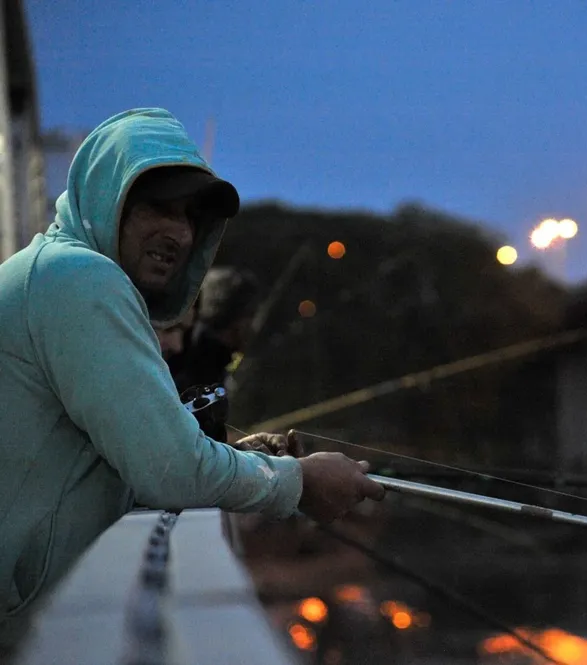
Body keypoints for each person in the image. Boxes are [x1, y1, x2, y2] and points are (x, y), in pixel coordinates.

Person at [0, 108, 385, 655]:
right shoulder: (79, 278)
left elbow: (129, 460)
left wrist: (236, 456)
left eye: (191, 217)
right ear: (107, 197)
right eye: (158, 207)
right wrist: (298, 482)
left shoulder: (54, 272)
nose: (178, 233)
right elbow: (168, 472)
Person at [168, 266, 260, 393]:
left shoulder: (191, 353)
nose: (253, 325)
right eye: (251, 315)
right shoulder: (202, 372)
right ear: (237, 320)